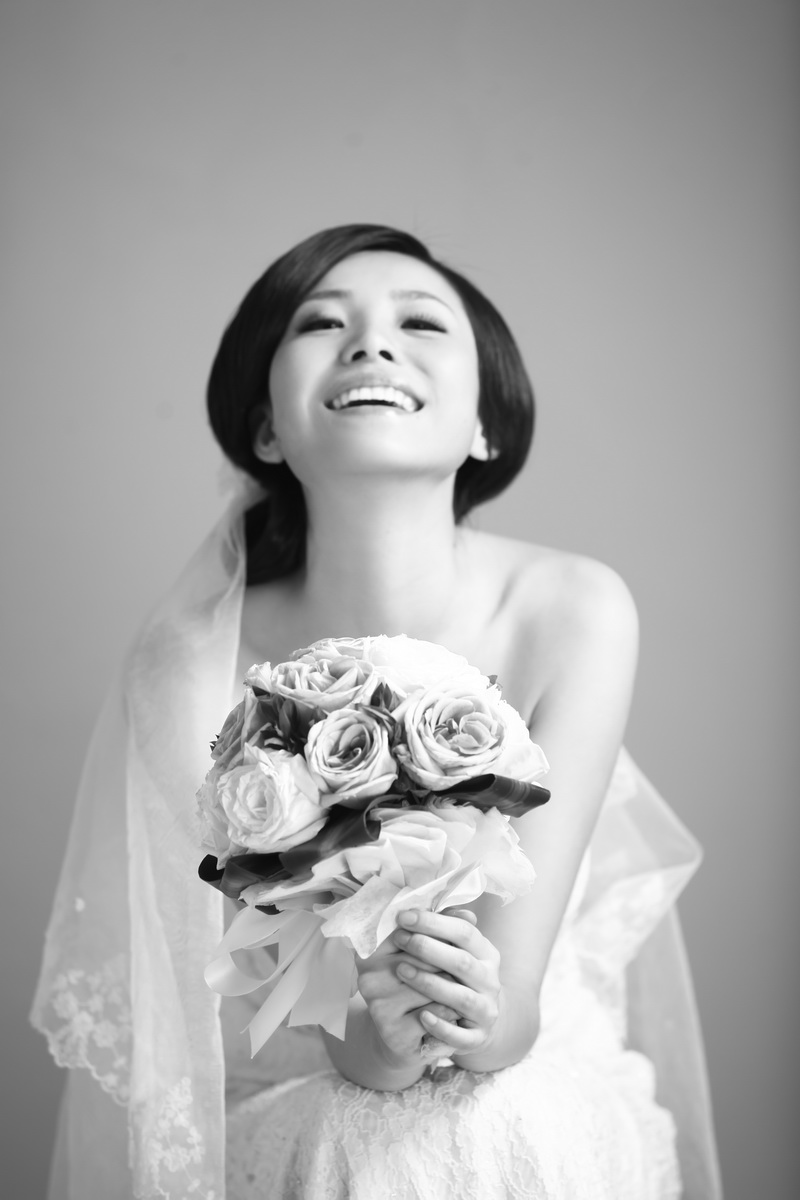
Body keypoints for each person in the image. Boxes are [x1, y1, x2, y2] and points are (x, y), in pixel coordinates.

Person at [32, 225, 722, 1199]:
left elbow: (510, 1010)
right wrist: (381, 1042)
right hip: (292, 1064)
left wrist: (456, 1010)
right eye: (322, 323)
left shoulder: (571, 611)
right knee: (353, 1143)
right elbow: (288, 1007)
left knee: (499, 1122)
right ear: (266, 430)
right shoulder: (186, 668)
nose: (371, 342)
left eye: (420, 322)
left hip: (515, 1047)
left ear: (485, 426)